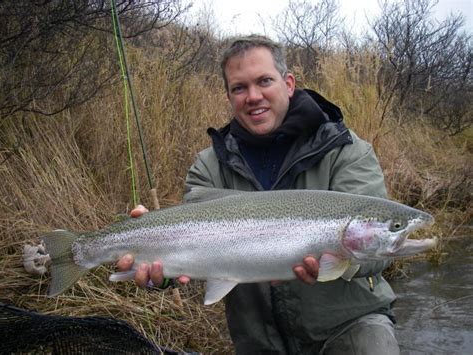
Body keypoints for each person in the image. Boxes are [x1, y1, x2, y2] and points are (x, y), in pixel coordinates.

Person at [117, 35, 400, 354]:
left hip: (349, 328)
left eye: (264, 81)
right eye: (239, 88)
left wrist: (341, 263)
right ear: (229, 96)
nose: (253, 96)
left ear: (289, 83)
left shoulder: (346, 151)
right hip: (258, 342)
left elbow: (376, 246)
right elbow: (192, 253)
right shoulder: (208, 167)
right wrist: (160, 274)